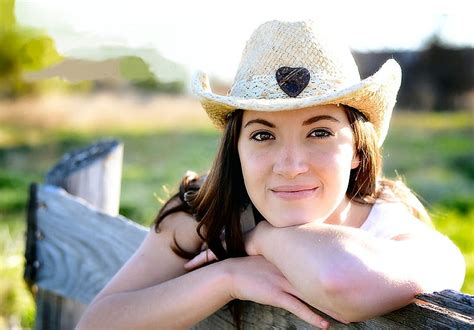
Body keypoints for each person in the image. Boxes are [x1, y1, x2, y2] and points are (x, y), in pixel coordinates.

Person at [77, 20, 465, 329]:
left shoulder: (390, 222)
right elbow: (97, 324)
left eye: (319, 133)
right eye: (263, 135)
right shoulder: (202, 212)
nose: (291, 165)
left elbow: (341, 282)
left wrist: (260, 238)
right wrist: (225, 277)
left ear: (358, 151)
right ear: (237, 150)